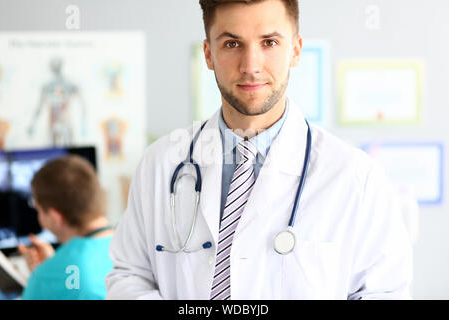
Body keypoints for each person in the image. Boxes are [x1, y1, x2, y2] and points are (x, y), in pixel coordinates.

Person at [105, 0, 412, 300]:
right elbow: (130, 275)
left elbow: (383, 291)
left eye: (269, 42)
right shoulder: (161, 164)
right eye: (231, 44)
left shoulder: (355, 176)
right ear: (208, 54)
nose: (250, 66)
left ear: (295, 49)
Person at [18, 155, 114, 300]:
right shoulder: (136, 247)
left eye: (38, 209)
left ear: (55, 217)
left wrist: (48, 274)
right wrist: (55, 264)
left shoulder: (46, 278)